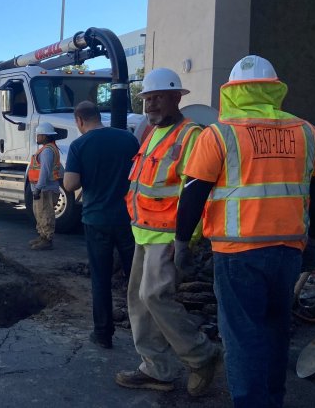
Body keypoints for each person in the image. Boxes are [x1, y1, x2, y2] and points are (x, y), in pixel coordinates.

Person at [177, 55, 315, 408]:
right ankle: (271, 401)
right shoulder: (307, 131)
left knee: (242, 337)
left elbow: (194, 191)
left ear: (232, 91)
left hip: (237, 254)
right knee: (276, 331)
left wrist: (182, 241)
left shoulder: (220, 133)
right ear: (274, 90)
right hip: (287, 250)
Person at [117, 68, 220, 396]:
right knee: (138, 301)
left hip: (168, 234)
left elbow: (198, 191)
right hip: (144, 232)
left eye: (159, 97)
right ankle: (156, 368)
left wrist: (187, 239)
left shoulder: (192, 135)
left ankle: (201, 354)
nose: (151, 104)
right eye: (147, 98)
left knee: (154, 296)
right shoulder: (152, 131)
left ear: (177, 97)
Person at [63, 101, 139, 349]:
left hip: (96, 220)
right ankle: (144, 332)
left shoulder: (79, 145)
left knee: (101, 278)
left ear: (79, 120)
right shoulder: (127, 139)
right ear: (98, 116)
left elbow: (71, 184)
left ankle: (103, 334)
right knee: (136, 278)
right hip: (129, 218)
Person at [27, 122, 63, 250]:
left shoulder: (47, 151)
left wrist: (38, 188)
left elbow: (45, 172)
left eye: (39, 135)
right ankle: (42, 236)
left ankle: (47, 240)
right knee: (40, 213)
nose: (37, 137)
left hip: (45, 189)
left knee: (46, 214)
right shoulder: (50, 149)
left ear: (45, 136)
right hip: (44, 188)